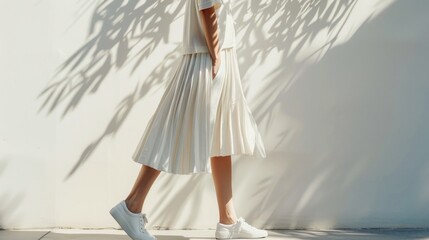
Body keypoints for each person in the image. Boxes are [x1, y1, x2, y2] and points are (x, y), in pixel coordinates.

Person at [109, 0, 267, 239]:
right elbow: (207, 8)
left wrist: (219, 55)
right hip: (206, 59)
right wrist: (215, 57)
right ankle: (132, 205)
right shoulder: (211, 57)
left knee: (221, 135)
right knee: (172, 131)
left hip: (218, 55)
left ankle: (228, 220)